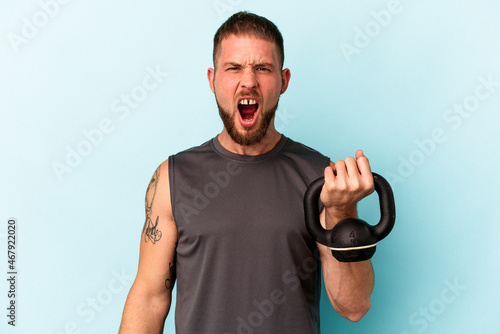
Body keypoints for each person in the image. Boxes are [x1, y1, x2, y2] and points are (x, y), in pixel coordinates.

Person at [119, 11, 375, 334]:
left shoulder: (320, 179)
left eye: (263, 68)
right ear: (212, 80)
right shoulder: (173, 178)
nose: (249, 80)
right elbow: (149, 298)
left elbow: (353, 306)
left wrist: (342, 210)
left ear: (283, 81)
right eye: (234, 67)